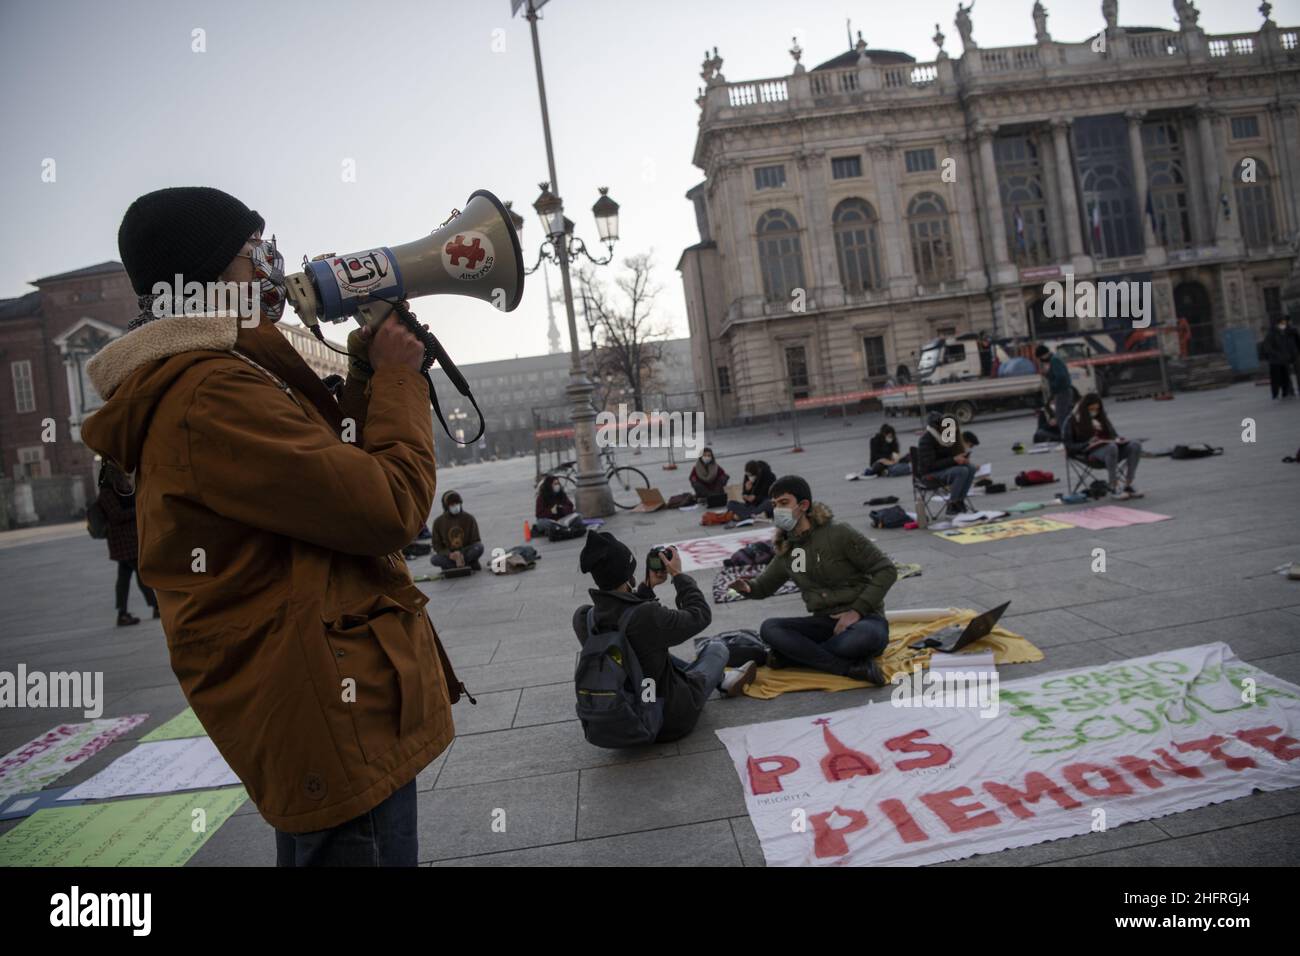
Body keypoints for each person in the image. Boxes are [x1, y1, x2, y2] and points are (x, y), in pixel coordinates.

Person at [81, 186, 467, 866]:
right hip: (326, 709)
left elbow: (329, 469)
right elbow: (385, 507)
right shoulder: (211, 393)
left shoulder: (231, 370)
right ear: (199, 279)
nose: (271, 264)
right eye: (252, 251)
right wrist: (403, 381)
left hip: (327, 697)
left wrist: (368, 369)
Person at [573, 531, 755, 743]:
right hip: (668, 718)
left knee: (644, 653)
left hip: (624, 712)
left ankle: (723, 680)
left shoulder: (585, 618)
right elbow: (700, 615)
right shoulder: (647, 616)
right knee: (716, 648)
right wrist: (678, 576)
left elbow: (627, 626)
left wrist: (647, 587)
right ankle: (722, 679)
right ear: (628, 574)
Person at [732, 476, 896, 683]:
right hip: (824, 624)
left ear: (803, 505)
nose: (777, 510)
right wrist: (747, 587)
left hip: (864, 620)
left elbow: (886, 570)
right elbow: (763, 586)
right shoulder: (787, 549)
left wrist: (856, 611)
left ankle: (795, 657)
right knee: (770, 628)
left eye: (784, 503)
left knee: (864, 639)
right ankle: (846, 668)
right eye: (774, 505)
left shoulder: (839, 533)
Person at [97, 459, 158, 626]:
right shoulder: (107, 493)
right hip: (123, 542)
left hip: (129, 540)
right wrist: (137, 510)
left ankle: (122, 613)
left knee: (124, 579)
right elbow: (116, 515)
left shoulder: (121, 490)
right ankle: (155, 606)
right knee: (141, 573)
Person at [1063, 392, 1143, 499]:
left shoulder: (1102, 417)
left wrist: (1118, 439)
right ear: (1084, 408)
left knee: (1135, 445)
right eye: (1091, 409)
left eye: (1097, 409)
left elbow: (1113, 435)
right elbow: (1069, 446)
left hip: (1110, 449)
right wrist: (1088, 443)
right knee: (1111, 447)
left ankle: (1129, 484)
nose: (1094, 412)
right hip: (1089, 453)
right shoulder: (1072, 420)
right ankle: (1113, 487)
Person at [916, 411, 976, 516]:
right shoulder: (927, 439)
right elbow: (929, 465)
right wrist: (954, 460)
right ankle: (952, 504)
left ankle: (959, 501)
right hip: (929, 474)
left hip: (944, 470)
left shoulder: (949, 438)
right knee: (961, 471)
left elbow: (951, 458)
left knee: (970, 468)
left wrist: (962, 459)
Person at [430, 490, 483, 573]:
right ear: (446, 506)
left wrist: (461, 553)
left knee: (479, 547)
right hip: (450, 555)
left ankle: (458, 565)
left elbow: (476, 540)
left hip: (465, 552)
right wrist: (450, 554)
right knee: (434, 559)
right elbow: (437, 545)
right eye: (452, 505)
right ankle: (466, 565)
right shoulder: (438, 522)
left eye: (457, 503)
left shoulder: (469, 518)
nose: (455, 506)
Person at [1036, 343, 1073, 432]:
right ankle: (1068, 434)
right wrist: (1047, 374)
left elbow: (1061, 376)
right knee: (1064, 415)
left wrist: (1053, 387)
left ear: (1044, 354)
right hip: (1064, 391)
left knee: (1061, 416)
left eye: (1041, 358)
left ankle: (1066, 436)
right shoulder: (1055, 359)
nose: (1041, 360)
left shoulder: (1054, 361)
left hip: (1062, 392)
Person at [1261, 316, 1298, 399]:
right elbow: (1268, 347)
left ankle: (1286, 392)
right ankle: (1275, 393)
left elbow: (1286, 345)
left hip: (1283, 359)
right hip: (1275, 361)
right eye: (1282, 323)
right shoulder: (1271, 334)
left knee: (1285, 377)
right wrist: (1277, 354)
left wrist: (1288, 354)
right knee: (1276, 378)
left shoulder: (1283, 333)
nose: (1284, 325)